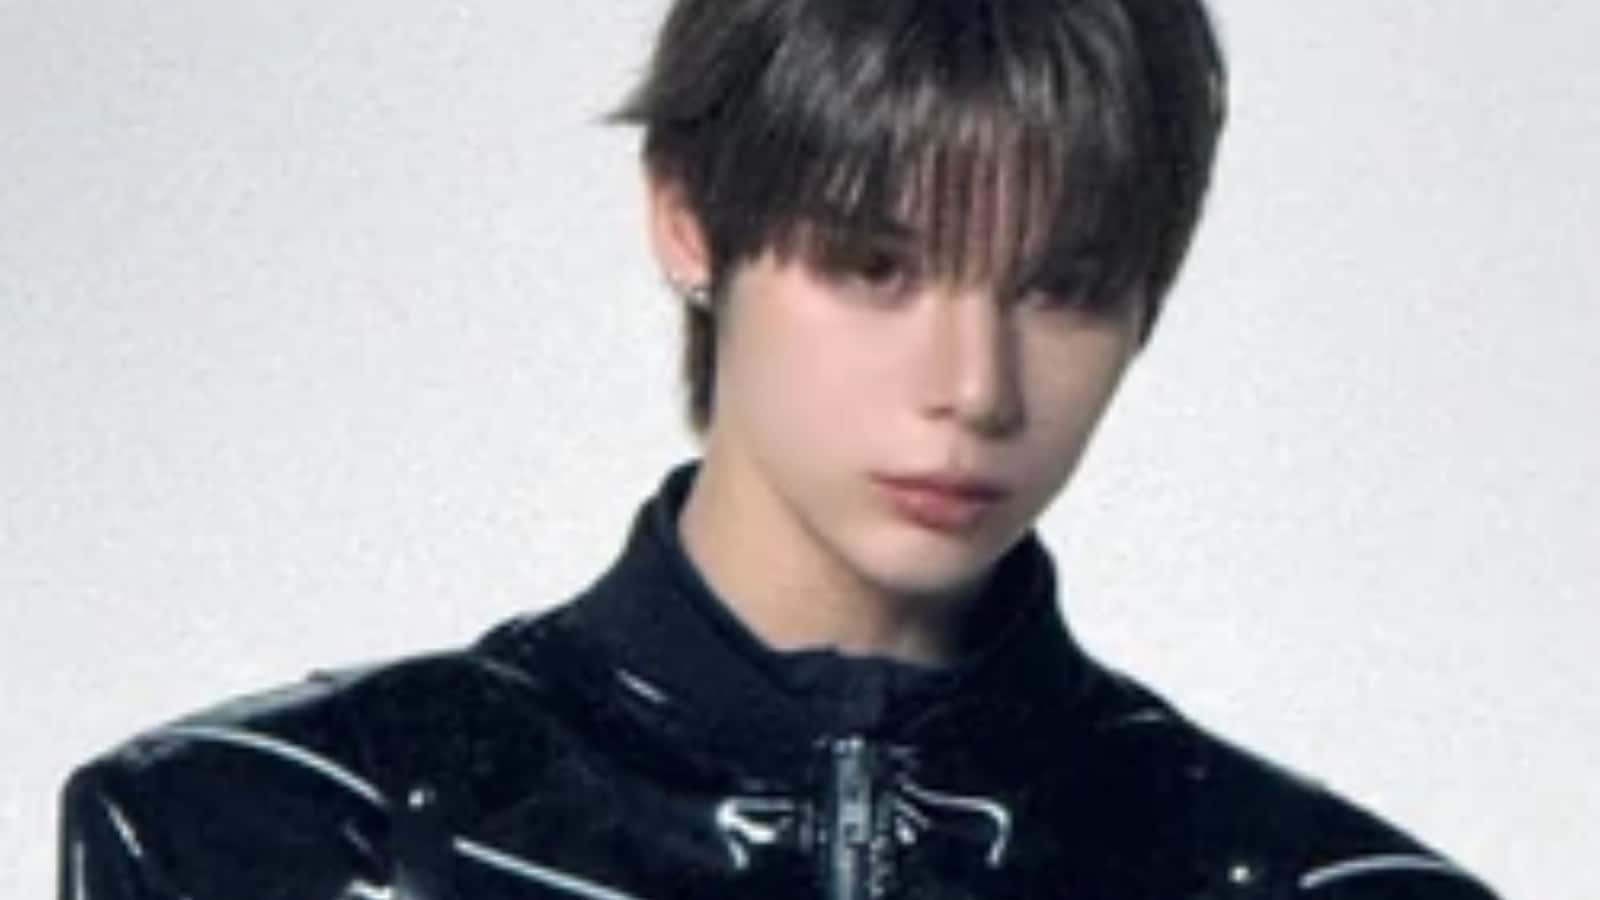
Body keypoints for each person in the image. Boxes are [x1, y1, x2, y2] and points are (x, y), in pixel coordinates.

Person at [58, 1, 1502, 898]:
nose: (974, 388)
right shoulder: (246, 837)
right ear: (688, 216)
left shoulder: (1327, 888)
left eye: (1063, 288)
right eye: (876, 266)